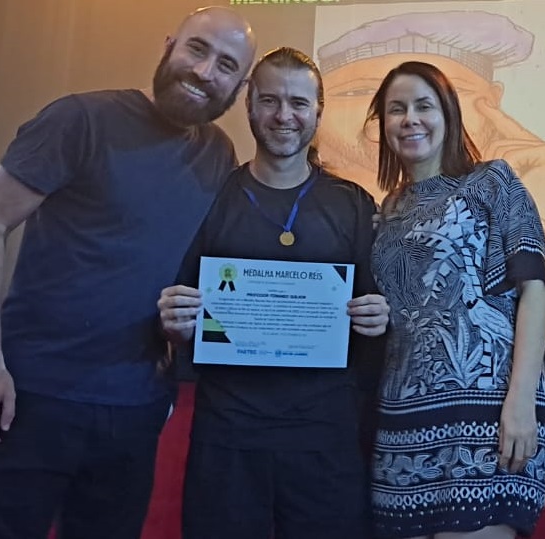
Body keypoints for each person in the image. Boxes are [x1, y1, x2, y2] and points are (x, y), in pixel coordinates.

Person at [0, 6, 256, 539]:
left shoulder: (218, 154)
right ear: (169, 46)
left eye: (227, 65)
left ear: (241, 87)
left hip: (135, 410)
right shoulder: (79, 120)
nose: (206, 71)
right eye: (197, 49)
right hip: (30, 397)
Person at [158, 46, 389, 539]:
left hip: (324, 435)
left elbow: (374, 316)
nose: (284, 115)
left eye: (298, 102)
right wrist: (175, 322)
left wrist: (376, 316)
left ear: (318, 112)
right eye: (269, 100)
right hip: (228, 433)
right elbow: (179, 308)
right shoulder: (209, 197)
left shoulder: (353, 205)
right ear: (249, 105)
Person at [365, 60, 545, 539]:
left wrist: (521, 402)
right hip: (401, 423)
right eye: (396, 109)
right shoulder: (386, 210)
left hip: (489, 414)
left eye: (423, 106)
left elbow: (535, 289)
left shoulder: (493, 181)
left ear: (448, 114)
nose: (410, 119)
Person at [316, 10, 545, 255]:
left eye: (429, 103)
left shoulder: (502, 187)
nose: (410, 121)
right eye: (356, 92)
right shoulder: (387, 208)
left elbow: (531, 281)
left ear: (492, 99)